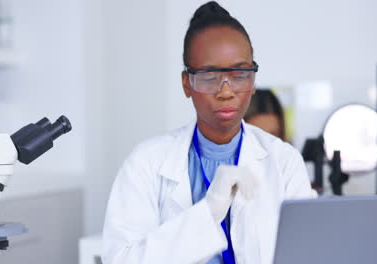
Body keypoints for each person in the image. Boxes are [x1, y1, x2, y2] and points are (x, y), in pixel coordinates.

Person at [102, 2, 315, 264]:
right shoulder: (146, 162)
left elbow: (307, 252)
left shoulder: (283, 161)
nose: (226, 91)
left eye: (239, 74)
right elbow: (120, 260)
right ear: (186, 83)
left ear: (253, 80)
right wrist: (208, 212)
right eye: (209, 76)